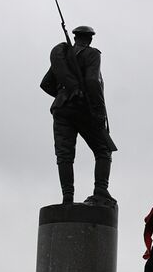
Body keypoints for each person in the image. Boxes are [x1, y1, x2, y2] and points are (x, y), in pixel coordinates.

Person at [40, 24, 116, 207]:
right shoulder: (92, 54)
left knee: (64, 155)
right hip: (83, 108)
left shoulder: (63, 56)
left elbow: (46, 83)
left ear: (75, 38)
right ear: (89, 39)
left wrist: (64, 94)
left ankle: (67, 197)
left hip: (61, 109)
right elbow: (92, 81)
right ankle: (100, 190)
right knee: (103, 150)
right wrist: (98, 111)